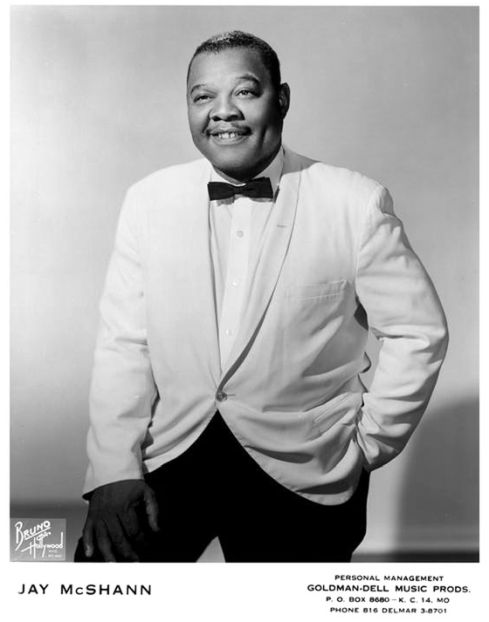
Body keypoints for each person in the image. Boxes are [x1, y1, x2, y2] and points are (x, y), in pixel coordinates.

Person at [75, 30, 448, 563]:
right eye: (203, 96)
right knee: (95, 593)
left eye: (244, 92)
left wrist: (370, 442)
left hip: (305, 470)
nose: (222, 111)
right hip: (170, 457)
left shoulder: (355, 202)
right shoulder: (147, 201)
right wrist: (113, 468)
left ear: (282, 99)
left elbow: (418, 331)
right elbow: (124, 344)